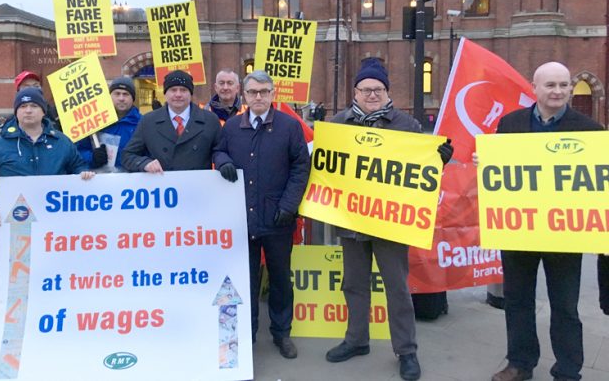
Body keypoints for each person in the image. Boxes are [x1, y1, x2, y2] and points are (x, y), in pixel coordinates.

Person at [324, 58, 452, 381]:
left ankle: (406, 351)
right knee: (353, 284)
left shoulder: (406, 124)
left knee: (397, 287)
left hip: (390, 223)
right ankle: (356, 340)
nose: (371, 95)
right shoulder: (338, 123)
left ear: (386, 91)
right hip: (351, 219)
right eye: (366, 89)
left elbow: (421, 168)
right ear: (355, 91)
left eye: (377, 89)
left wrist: (440, 160)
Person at [488, 62, 602, 381]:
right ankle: (520, 363)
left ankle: (567, 369)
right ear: (534, 88)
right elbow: (499, 174)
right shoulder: (509, 124)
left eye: (564, 85)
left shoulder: (590, 130)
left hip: (565, 233)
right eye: (550, 85)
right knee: (518, 300)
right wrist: (487, 162)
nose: (558, 91)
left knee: (565, 306)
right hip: (518, 229)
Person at [214, 70, 310, 359]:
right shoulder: (232, 127)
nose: (258, 97)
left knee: (280, 278)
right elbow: (218, 150)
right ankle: (248, 334)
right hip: (242, 217)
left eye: (264, 92)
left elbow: (300, 168)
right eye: (253, 92)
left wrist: (289, 205)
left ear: (272, 94)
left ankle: (282, 333)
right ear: (244, 95)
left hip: (278, 217)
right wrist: (223, 160)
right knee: (246, 280)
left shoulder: (288, 127)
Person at [0, 88, 94, 265]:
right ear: (16, 112)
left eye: (34, 105)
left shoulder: (62, 142)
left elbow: (78, 168)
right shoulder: (0, 146)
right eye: (23, 106)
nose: (28, 110)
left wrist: (84, 175)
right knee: (16, 285)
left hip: (54, 231)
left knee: (51, 279)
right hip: (13, 229)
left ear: (43, 110)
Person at [121, 70, 220, 173]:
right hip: (163, 186)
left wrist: (224, 163)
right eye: (173, 90)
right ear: (165, 93)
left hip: (198, 186)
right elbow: (127, 155)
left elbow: (220, 151)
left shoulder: (210, 120)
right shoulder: (148, 121)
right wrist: (144, 163)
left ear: (191, 94)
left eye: (183, 90)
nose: (178, 94)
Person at [75, 76, 141, 171]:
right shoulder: (94, 119)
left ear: (133, 98)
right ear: (109, 96)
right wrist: (92, 157)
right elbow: (78, 150)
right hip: (101, 179)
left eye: (126, 94)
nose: (121, 98)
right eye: (117, 94)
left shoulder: (142, 122)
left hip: (131, 180)